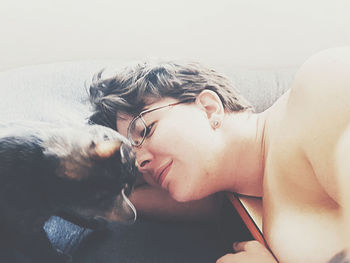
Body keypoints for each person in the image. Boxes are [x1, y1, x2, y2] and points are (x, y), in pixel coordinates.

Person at [88, 47, 350, 263]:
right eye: (136, 165)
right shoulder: (236, 205)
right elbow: (104, 194)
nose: (141, 162)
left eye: (145, 130)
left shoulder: (318, 89)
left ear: (209, 107)